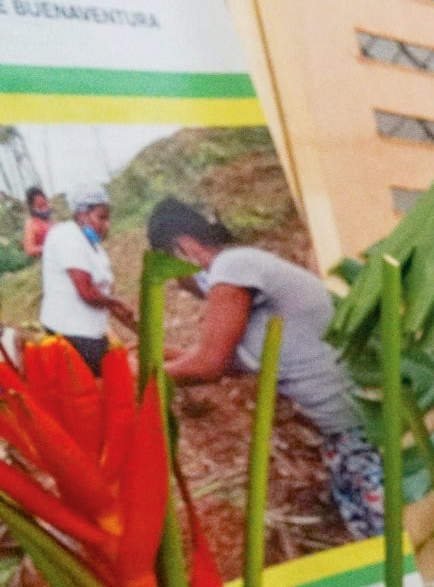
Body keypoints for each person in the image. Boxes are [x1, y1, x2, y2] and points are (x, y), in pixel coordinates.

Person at [150, 200, 382, 539]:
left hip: (368, 435)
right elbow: (226, 361)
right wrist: (157, 360)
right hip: (348, 436)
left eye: (171, 275)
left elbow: (209, 364)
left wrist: (132, 377)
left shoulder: (232, 265)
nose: (179, 287)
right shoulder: (247, 278)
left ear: (182, 248)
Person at [35, 184, 129, 366]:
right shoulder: (66, 236)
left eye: (108, 219)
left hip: (92, 336)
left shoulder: (96, 250)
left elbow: (105, 293)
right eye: (101, 218)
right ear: (81, 214)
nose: (106, 225)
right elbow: (86, 292)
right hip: (71, 337)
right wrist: (116, 302)